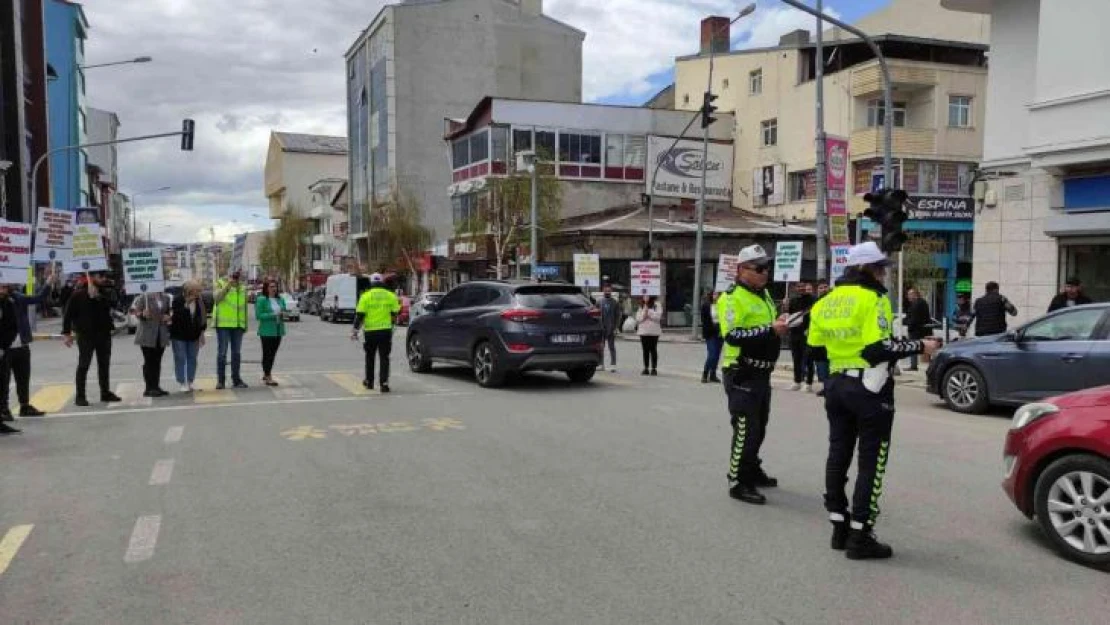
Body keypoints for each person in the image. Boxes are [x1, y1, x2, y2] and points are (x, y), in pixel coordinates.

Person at [807, 242, 940, 560]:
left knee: (837, 455)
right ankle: (861, 535)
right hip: (869, 388)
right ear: (866, 269)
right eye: (880, 268)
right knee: (871, 462)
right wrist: (921, 344)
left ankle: (838, 527)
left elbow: (815, 350)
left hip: (837, 385)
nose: (884, 274)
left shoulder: (826, 301)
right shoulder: (873, 298)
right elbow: (877, 349)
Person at [717, 245, 790, 505]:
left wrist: (782, 322)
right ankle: (737, 480)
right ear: (741, 270)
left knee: (759, 428)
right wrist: (770, 330)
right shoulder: (731, 297)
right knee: (746, 430)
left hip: (762, 373)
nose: (765, 273)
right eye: (759, 268)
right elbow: (732, 335)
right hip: (742, 372)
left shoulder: (764, 295)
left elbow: (767, 327)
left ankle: (752, 468)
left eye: (766, 268)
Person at [0, 276, 57, 421]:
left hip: (22, 345)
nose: (3, 286)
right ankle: (4, 409)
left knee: (23, 378)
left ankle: (24, 405)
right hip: (5, 348)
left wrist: (48, 283)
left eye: (5, 284)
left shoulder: (17, 297)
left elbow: (38, 298)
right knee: (3, 381)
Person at [62, 273, 123, 406]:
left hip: (103, 333)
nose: (103, 279)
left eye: (103, 276)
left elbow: (114, 304)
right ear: (92, 277)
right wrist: (67, 333)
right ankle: (80, 396)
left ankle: (105, 392)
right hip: (85, 335)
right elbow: (68, 314)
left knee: (104, 364)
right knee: (84, 365)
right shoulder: (77, 294)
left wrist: (98, 297)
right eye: (100, 276)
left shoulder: (105, 291)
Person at [352, 273, 400, 392]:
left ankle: (369, 382)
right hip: (385, 331)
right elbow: (395, 313)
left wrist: (355, 331)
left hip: (370, 332)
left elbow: (360, 315)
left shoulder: (365, 296)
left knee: (370, 357)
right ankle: (384, 383)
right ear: (382, 282)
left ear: (371, 283)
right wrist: (393, 325)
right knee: (384, 357)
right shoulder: (390, 295)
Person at [132, 290, 172, 398]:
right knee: (149, 360)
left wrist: (168, 317)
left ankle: (156, 386)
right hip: (147, 333)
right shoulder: (143, 297)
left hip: (161, 333)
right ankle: (149, 388)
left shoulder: (166, 297)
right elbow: (136, 312)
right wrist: (142, 314)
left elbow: (167, 312)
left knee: (157, 361)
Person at [213, 271, 249, 389]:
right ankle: (221, 381)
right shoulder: (220, 283)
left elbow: (244, 307)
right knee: (222, 353)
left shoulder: (242, 287)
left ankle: (236, 380)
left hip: (238, 326)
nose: (237, 274)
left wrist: (245, 325)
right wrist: (228, 285)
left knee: (236, 353)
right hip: (223, 324)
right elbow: (217, 299)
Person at [169, 280, 207, 392]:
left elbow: (202, 317)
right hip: (179, 335)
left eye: (199, 291)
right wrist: (186, 304)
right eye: (196, 291)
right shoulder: (177, 300)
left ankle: (190, 381)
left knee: (192, 358)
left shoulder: (199, 301)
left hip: (194, 335)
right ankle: (182, 381)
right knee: (180, 358)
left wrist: (202, 332)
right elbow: (175, 317)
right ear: (189, 290)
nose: (198, 293)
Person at [255, 280, 287, 386]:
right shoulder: (262, 300)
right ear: (266, 288)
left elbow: (284, 310)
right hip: (266, 331)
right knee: (267, 354)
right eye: (271, 286)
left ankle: (266, 372)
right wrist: (273, 314)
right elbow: (259, 315)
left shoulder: (280, 299)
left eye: (275, 286)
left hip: (278, 330)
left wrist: (283, 313)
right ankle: (268, 376)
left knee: (273, 354)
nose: (274, 288)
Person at [786, 282, 816, 391]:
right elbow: (788, 316)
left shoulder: (813, 299)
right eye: (799, 286)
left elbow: (815, 316)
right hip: (794, 334)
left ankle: (809, 383)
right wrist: (785, 307)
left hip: (807, 333)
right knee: (796, 359)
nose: (801, 288)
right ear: (795, 288)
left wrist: (810, 329)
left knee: (808, 359)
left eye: (803, 286)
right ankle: (797, 381)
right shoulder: (793, 300)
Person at [0, 286, 22, 435]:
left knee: (2, 385)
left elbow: (13, 327)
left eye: (4, 287)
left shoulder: (9, 303)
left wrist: (3, 347)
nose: (2, 290)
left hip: (3, 350)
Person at [810, 282, 832, 396]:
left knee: (831, 365)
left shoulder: (834, 300)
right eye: (820, 288)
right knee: (821, 366)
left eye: (825, 287)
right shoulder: (815, 302)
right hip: (818, 339)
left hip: (831, 338)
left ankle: (831, 388)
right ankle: (825, 386)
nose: (823, 289)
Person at [903, 288, 932, 371]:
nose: (908, 297)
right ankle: (928, 365)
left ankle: (913, 365)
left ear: (914, 295)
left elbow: (913, 319)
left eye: (909, 295)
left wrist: (905, 321)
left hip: (916, 330)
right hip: (924, 329)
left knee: (913, 348)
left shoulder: (916, 304)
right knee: (926, 348)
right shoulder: (923, 302)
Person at [635, 296, 662, 376]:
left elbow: (658, 317)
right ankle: (646, 368)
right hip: (643, 331)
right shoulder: (641, 305)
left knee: (653, 349)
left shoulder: (657, 305)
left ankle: (654, 368)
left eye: (647, 296)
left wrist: (648, 313)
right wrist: (644, 314)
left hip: (654, 331)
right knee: (645, 350)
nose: (645, 297)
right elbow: (638, 318)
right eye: (644, 296)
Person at [700, 291, 722, 383]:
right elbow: (704, 320)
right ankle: (705, 373)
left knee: (717, 354)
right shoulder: (706, 305)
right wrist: (712, 327)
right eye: (714, 294)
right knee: (712, 354)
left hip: (720, 332)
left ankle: (713, 374)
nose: (716, 296)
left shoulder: (723, 305)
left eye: (718, 294)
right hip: (710, 332)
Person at [599, 284, 621, 372]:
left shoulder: (615, 302)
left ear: (611, 291)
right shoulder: (599, 302)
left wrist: (616, 327)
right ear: (603, 291)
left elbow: (618, 316)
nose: (607, 292)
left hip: (611, 328)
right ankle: (601, 364)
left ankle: (613, 364)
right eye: (606, 290)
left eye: (609, 290)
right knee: (601, 347)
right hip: (601, 328)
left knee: (611, 347)